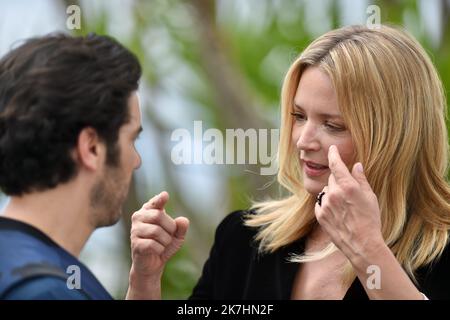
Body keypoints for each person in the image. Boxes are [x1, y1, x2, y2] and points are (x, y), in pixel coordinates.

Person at [129, 24, 450, 300]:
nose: (303, 140)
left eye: (333, 125)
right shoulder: (244, 239)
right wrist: (144, 281)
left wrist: (370, 252)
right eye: (298, 116)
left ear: (395, 136)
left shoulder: (441, 251)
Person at [0, 33, 189, 299]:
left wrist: (144, 283)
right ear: (91, 147)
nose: (136, 161)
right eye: (132, 138)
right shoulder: (47, 291)